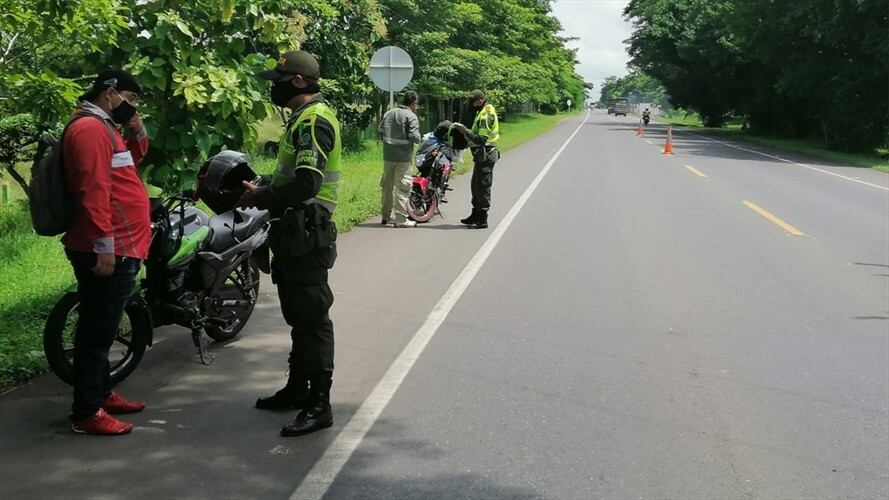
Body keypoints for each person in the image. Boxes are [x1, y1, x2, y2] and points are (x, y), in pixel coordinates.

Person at [237, 50, 340, 437]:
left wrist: (258, 198)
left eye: (278, 81)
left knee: (312, 319)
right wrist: (264, 184)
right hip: (294, 233)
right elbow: (291, 177)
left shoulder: (313, 121)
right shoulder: (301, 120)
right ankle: (298, 389)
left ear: (298, 82)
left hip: (308, 236)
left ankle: (320, 403)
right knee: (298, 316)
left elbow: (307, 184)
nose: (273, 88)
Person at [62, 69, 150, 435]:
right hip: (108, 246)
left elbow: (131, 164)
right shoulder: (89, 130)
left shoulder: (106, 127)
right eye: (129, 101)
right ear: (110, 93)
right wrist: (104, 246)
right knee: (97, 332)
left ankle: (102, 392)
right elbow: (93, 190)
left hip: (124, 243)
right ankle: (86, 411)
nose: (131, 109)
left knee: (105, 325)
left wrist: (138, 128)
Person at [455, 90, 499, 229]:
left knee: (483, 186)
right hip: (480, 156)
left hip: (486, 154)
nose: (471, 105)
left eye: (473, 102)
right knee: (475, 185)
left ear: (480, 100)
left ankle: (482, 218)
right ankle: (475, 214)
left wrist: (465, 131)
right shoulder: (481, 112)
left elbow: (481, 139)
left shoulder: (486, 115)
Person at [378, 91, 422, 227]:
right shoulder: (411, 116)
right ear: (413, 102)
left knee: (387, 186)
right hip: (403, 157)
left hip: (388, 156)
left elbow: (380, 130)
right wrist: (420, 139)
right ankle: (401, 219)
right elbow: (414, 136)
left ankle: (385, 216)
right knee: (402, 187)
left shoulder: (389, 113)